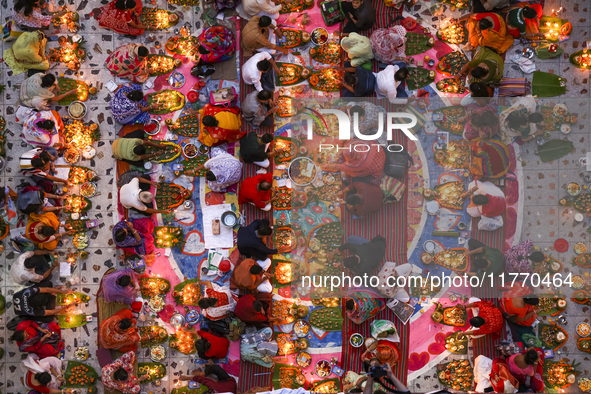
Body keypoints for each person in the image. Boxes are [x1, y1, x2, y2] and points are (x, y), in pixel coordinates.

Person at [13, 281, 78, 317]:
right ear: (38, 307)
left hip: (17, 296)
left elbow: (46, 289)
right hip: (20, 311)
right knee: (49, 318)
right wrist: (67, 306)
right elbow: (51, 312)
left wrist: (63, 292)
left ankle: (49, 295)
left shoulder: (29, 292)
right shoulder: (31, 310)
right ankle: (49, 296)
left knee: (48, 283)